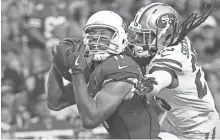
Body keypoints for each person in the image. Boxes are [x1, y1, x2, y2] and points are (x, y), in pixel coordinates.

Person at [47, 11, 160, 139]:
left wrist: (77, 71)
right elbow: (56, 102)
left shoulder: (122, 65)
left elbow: (90, 120)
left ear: (119, 36)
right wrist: (58, 60)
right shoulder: (95, 65)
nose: (96, 40)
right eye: (92, 34)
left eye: (103, 34)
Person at [128, 2, 220, 139]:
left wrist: (145, 84)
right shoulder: (175, 39)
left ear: (165, 36)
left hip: (199, 129)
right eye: (137, 35)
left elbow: (161, 77)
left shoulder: (170, 59)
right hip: (175, 120)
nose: (137, 41)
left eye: (145, 37)